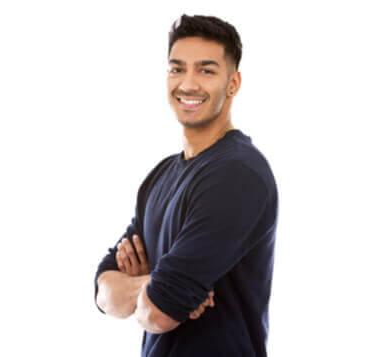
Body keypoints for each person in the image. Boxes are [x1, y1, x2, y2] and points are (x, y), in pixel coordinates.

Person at [94, 14, 278, 357]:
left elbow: (159, 313)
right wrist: (153, 285)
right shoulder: (160, 176)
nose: (188, 84)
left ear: (233, 83)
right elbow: (103, 293)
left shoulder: (237, 173)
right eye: (177, 69)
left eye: (206, 70)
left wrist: (151, 293)